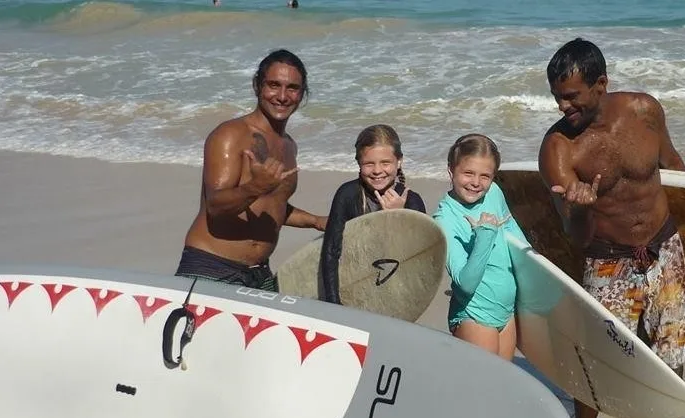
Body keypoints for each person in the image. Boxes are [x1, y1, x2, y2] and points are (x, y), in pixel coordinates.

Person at [538, 38, 685, 418]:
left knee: (672, 360)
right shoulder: (559, 150)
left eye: (572, 96)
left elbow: (675, 167)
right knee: (596, 361)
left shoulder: (645, 112)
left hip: (665, 252)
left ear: (601, 84)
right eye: (557, 97)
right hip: (607, 262)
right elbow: (576, 236)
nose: (563, 106)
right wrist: (583, 208)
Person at [175, 49, 326, 292]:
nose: (282, 96)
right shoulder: (231, 134)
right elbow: (216, 206)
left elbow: (271, 205)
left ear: (302, 94)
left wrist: (315, 221)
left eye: (293, 88)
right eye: (274, 85)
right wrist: (256, 187)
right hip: (211, 268)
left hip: (259, 273)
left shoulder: (289, 145)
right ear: (257, 86)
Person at [433, 134, 529, 361]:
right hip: (474, 315)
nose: (476, 183)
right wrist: (485, 235)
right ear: (451, 171)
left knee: (502, 387)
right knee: (480, 391)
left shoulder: (493, 192)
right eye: (468, 173)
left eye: (485, 176)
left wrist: (533, 262)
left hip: (506, 311)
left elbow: (511, 229)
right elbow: (465, 284)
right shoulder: (444, 220)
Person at [319, 124, 426, 304]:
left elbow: (419, 257)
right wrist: (334, 303)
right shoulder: (347, 195)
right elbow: (331, 251)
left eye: (385, 163)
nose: (377, 171)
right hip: (355, 282)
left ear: (399, 162)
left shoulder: (412, 201)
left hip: (396, 288)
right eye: (369, 163)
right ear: (359, 163)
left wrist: (399, 217)